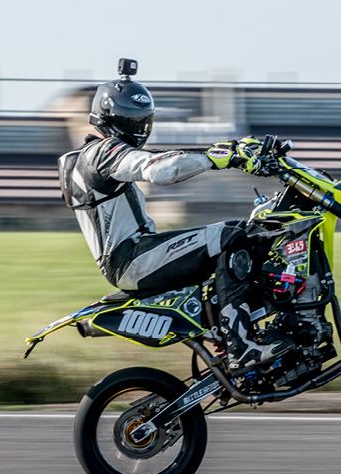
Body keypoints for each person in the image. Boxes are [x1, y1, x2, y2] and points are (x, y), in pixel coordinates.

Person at [58, 58, 289, 371]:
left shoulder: (89, 156)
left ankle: (232, 327)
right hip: (132, 258)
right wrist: (220, 156)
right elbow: (160, 170)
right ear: (112, 118)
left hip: (137, 252)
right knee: (230, 236)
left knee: (244, 232)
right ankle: (242, 346)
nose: (139, 127)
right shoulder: (101, 153)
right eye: (132, 119)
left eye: (142, 120)